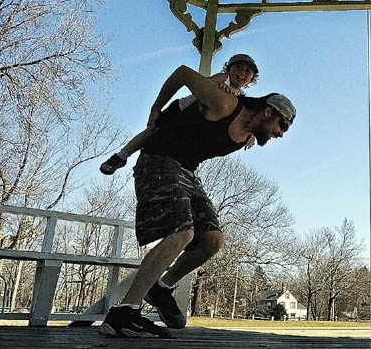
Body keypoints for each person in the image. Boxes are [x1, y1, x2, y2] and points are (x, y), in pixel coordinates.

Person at [100, 64, 295, 339]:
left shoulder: (249, 133)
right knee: (182, 231)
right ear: (267, 111)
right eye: (281, 125)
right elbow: (181, 73)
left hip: (187, 172)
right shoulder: (225, 102)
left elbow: (250, 131)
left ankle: (162, 287)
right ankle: (124, 313)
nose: (281, 133)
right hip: (158, 159)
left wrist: (254, 135)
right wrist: (156, 109)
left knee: (212, 239)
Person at [99, 53, 260, 175]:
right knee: (152, 130)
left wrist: (252, 135)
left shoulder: (242, 98)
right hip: (183, 109)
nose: (242, 73)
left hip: (194, 124)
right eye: (238, 67)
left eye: (247, 71)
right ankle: (121, 155)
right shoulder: (223, 78)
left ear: (251, 79)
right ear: (229, 68)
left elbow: (245, 118)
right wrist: (219, 86)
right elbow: (206, 84)